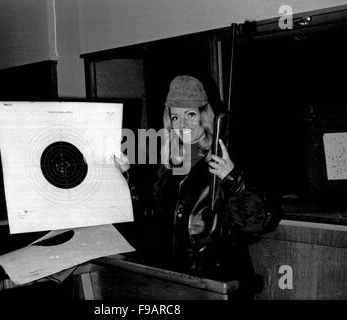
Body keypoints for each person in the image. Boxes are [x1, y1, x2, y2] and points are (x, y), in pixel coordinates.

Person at [116, 75, 282, 298]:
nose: (182, 124)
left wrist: (233, 179)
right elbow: (148, 218)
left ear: (204, 116)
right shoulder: (168, 165)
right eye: (176, 117)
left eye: (190, 114)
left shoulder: (229, 158)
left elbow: (259, 223)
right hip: (176, 284)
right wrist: (127, 176)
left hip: (217, 285)